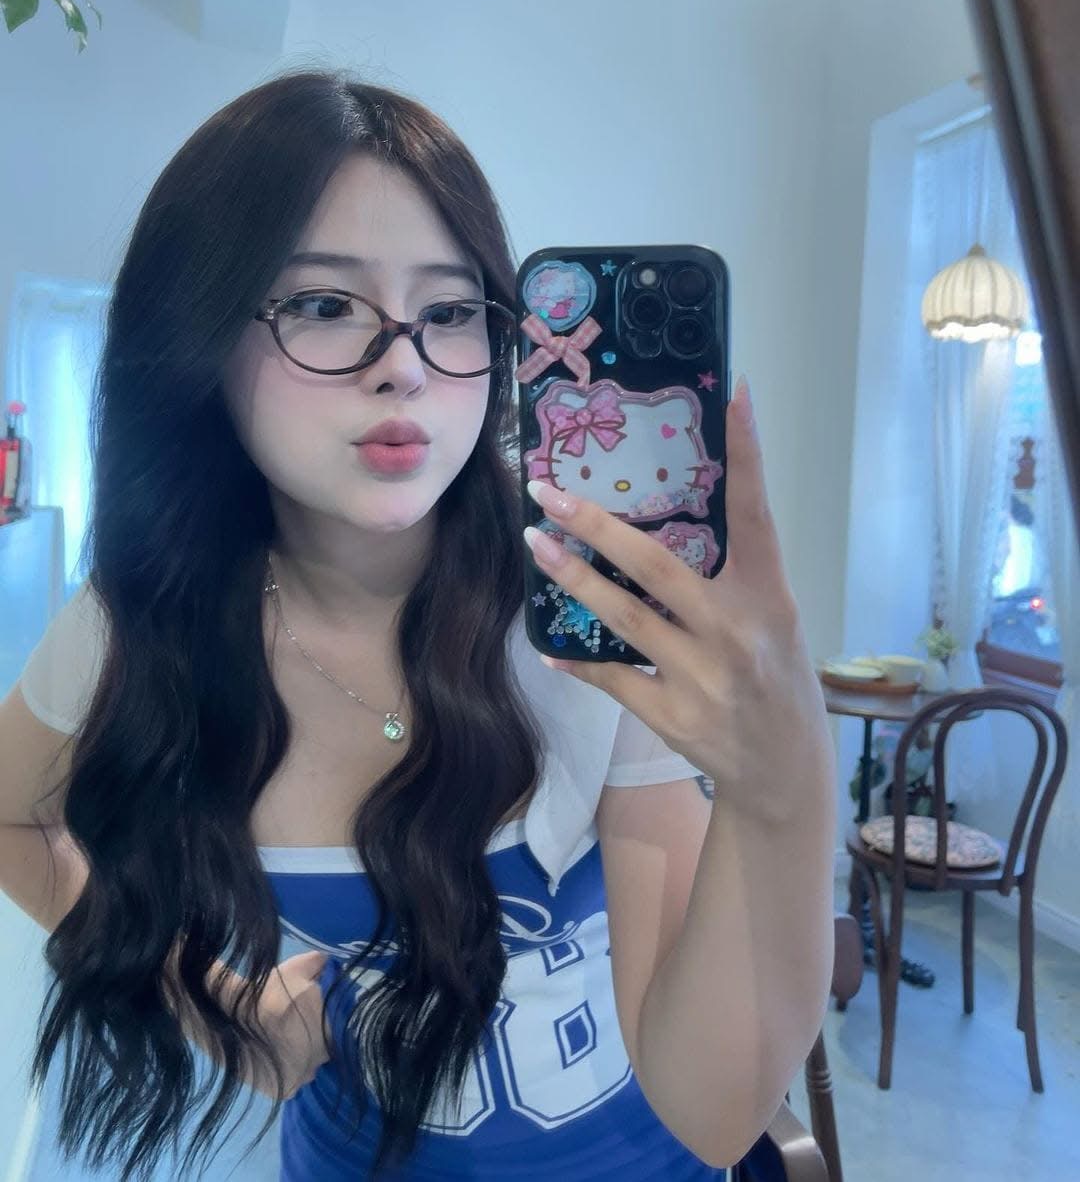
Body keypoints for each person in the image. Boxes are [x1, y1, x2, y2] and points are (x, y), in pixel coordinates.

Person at [3, 70, 837, 1180]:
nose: (401, 364)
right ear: (199, 336)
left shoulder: (578, 604)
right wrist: (211, 1001)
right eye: (321, 305)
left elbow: (714, 1112)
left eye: (448, 312)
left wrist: (783, 786)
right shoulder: (142, 625)